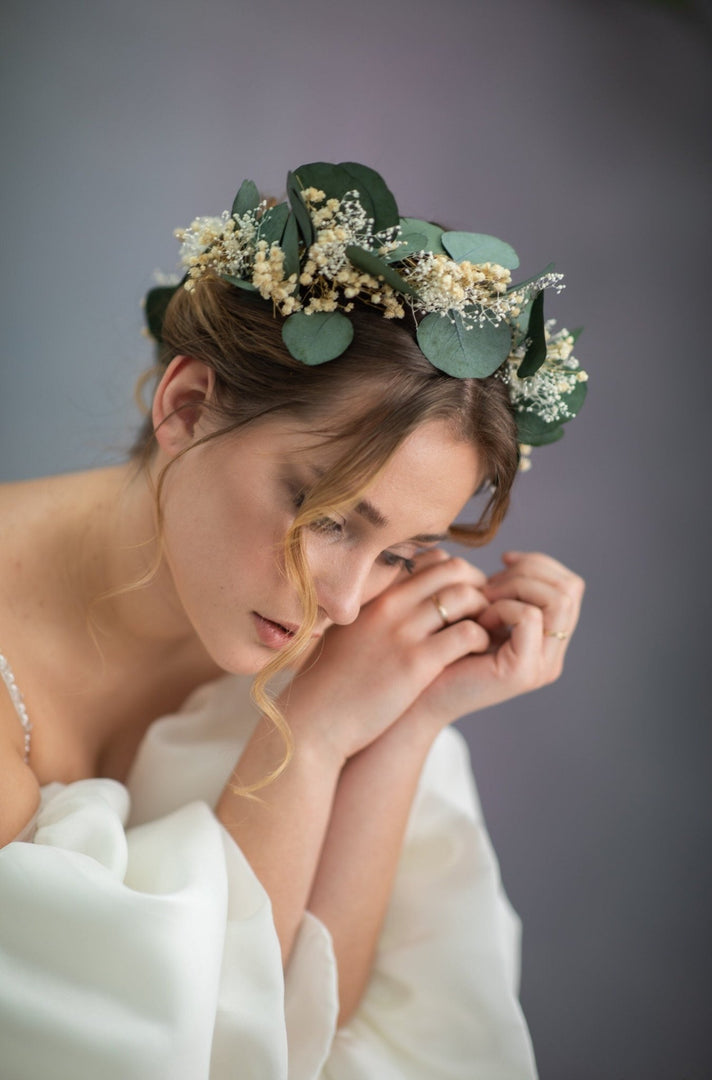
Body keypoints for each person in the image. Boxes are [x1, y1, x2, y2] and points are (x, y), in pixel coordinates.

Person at [0, 161, 586, 1079]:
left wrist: (402, 727)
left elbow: (300, 1025)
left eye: (399, 549)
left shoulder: (345, 644)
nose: (348, 603)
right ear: (185, 406)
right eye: (327, 518)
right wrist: (307, 737)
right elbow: (171, 1043)